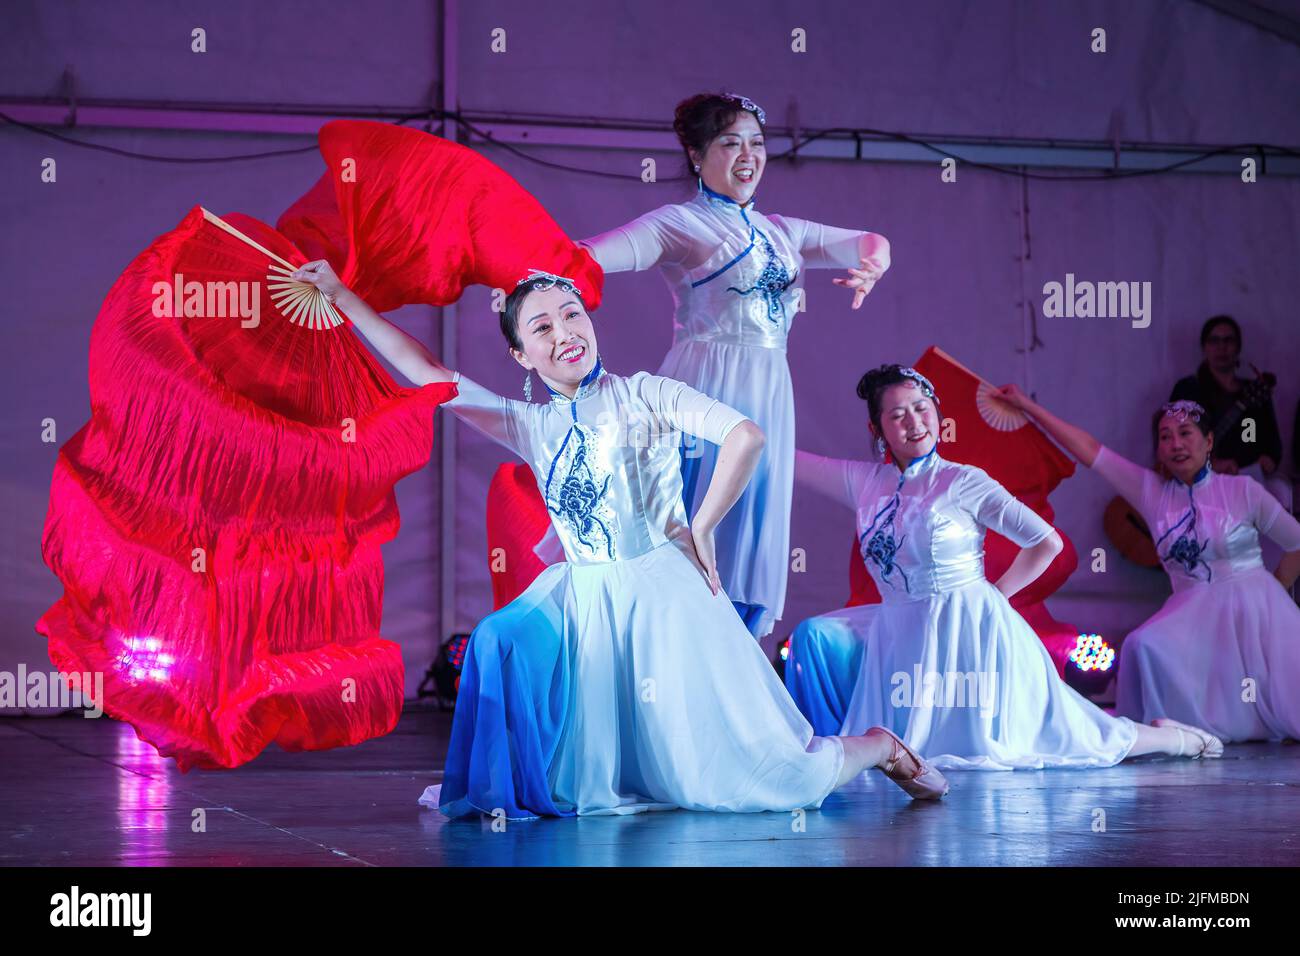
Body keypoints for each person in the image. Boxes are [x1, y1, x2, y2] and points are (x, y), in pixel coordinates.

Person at [290, 261, 949, 818]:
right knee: (498, 642)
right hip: (583, 596)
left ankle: (879, 747)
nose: (565, 332)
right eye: (542, 327)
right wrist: (342, 298)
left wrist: (703, 524)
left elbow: (745, 436)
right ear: (520, 354)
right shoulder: (530, 425)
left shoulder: (646, 394)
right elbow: (426, 369)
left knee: (756, 784)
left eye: (572, 314)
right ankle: (509, 788)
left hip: (664, 597)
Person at [790, 364, 1226, 769]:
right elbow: (787, 460)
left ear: (938, 414)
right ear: (878, 429)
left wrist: (996, 595)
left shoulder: (963, 480)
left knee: (1075, 738)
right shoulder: (865, 483)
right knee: (818, 639)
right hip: (900, 631)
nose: (914, 422)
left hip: (971, 630)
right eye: (898, 415)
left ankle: (1178, 741)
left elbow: (1047, 542)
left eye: (922, 408)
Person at [577, 91, 891, 640]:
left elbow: (870, 240)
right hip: (704, 384)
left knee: (750, 530)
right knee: (687, 520)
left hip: (769, 389)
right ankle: (667, 655)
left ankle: (731, 663)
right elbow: (589, 256)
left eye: (757, 143)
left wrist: (873, 265)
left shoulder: (782, 231)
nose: (749, 155)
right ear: (697, 156)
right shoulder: (681, 223)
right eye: (730, 143)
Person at [997, 384, 1300, 743]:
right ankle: (1176, 738)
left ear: (1208, 442)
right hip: (1191, 608)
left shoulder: (1242, 491)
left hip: (1252, 603)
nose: (1176, 444)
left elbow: (1296, 541)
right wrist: (1029, 408)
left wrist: (1270, 592)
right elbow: (1092, 451)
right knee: (1144, 644)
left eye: (1186, 434)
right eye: (1165, 436)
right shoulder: (1151, 492)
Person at [1169, 315, 1288, 510]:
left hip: (1246, 486)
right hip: (1198, 490)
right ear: (1204, 348)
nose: (1221, 347)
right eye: (1214, 340)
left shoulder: (1253, 391)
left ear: (1238, 347)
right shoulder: (1188, 389)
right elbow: (1172, 441)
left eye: (1228, 340)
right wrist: (1212, 464)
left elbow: (1272, 443)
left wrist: (1269, 460)